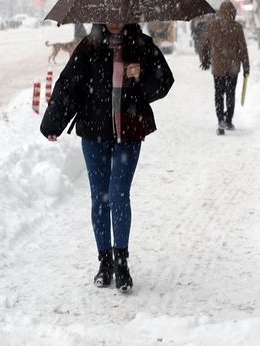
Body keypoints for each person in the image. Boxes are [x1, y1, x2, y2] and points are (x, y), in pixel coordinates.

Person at [40, 23, 174, 293]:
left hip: (130, 130)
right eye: (109, 15)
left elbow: (163, 83)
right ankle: (105, 263)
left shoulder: (141, 45)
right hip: (94, 131)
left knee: (118, 193)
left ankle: (122, 263)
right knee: (99, 196)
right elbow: (69, 85)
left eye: (120, 14)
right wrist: (54, 122)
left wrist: (142, 74)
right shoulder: (89, 47)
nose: (114, 20)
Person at [197, 1, 250, 135]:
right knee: (230, 93)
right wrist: (246, 67)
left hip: (218, 67)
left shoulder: (212, 26)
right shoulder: (237, 27)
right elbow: (243, 49)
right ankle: (228, 120)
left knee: (219, 94)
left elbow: (203, 44)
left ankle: (220, 119)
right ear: (233, 12)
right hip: (233, 67)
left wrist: (204, 59)